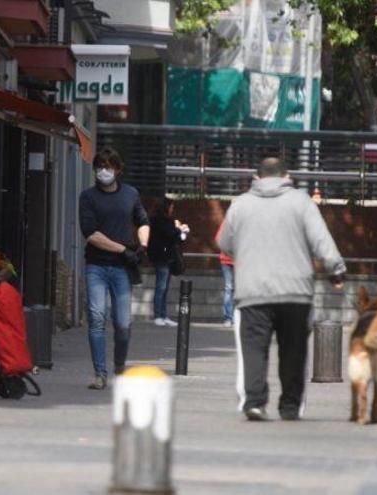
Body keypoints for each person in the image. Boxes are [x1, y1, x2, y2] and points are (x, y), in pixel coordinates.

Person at [218, 157, 345, 422]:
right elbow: (321, 240)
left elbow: (225, 243)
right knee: (293, 350)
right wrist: (335, 270)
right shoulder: (301, 202)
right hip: (295, 292)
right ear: (287, 175)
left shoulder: (240, 204)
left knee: (254, 348)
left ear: (257, 177)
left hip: (253, 292)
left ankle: (254, 402)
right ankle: (289, 406)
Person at [78, 147, 150, 390]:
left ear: (118, 169)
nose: (103, 171)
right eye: (99, 167)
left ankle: (119, 366)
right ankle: (100, 373)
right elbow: (91, 234)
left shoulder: (131, 194)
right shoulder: (87, 197)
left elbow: (142, 221)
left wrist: (143, 244)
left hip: (122, 269)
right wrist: (123, 250)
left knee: (123, 323)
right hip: (96, 266)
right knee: (97, 318)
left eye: (108, 167)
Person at [147, 199, 188, 327]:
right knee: (161, 287)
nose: (172, 209)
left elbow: (173, 236)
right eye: (171, 207)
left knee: (164, 287)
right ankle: (158, 315)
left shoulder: (162, 220)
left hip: (165, 255)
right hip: (162, 256)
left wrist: (178, 230)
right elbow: (170, 233)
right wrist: (179, 229)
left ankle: (163, 315)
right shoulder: (160, 221)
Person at [215, 222, 235, 327]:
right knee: (229, 288)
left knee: (232, 289)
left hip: (237, 261)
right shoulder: (227, 223)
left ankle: (233, 317)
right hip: (227, 261)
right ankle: (228, 317)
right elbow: (218, 239)